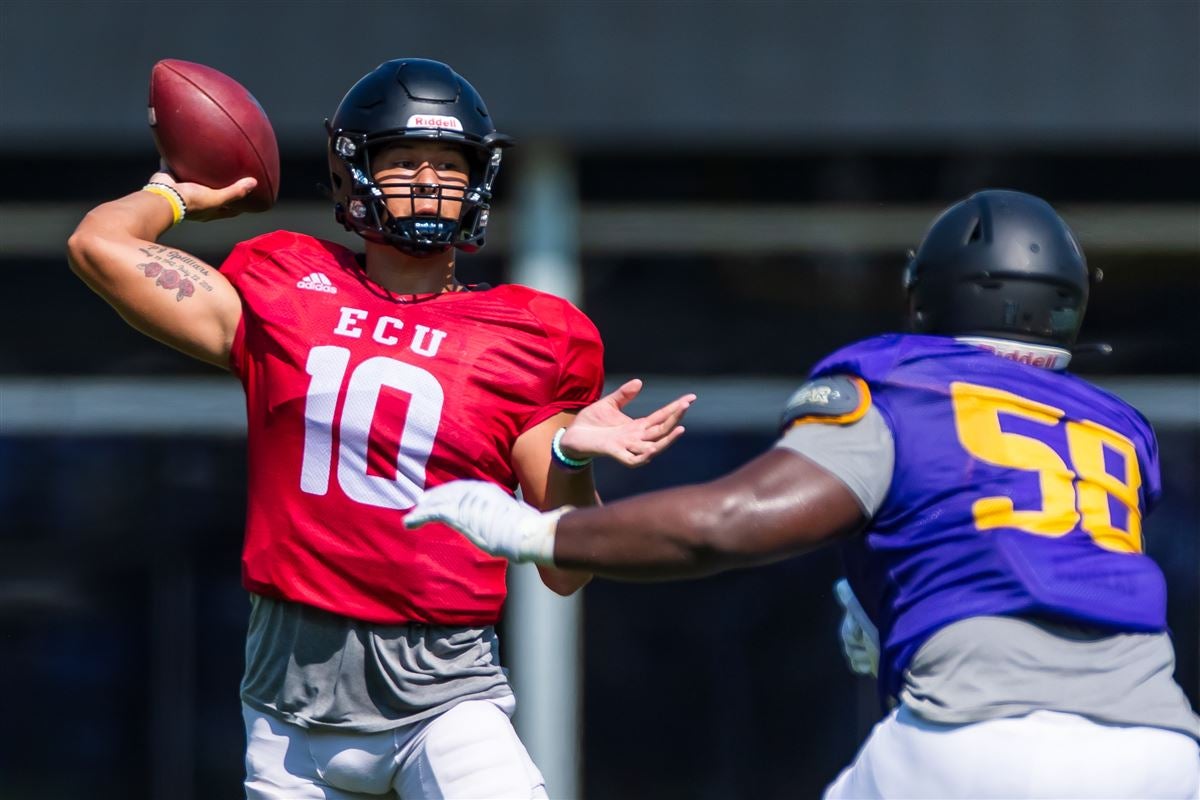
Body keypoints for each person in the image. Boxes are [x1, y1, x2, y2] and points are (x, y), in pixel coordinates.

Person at [408, 189, 1200, 799]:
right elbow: (1030, 554)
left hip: (976, 740)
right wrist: (892, 609)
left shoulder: (902, 387)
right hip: (1165, 751)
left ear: (929, 295)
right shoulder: (1118, 429)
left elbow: (722, 525)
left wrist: (532, 531)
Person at [67, 58, 693, 799]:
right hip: (289, 698)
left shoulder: (529, 333)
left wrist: (568, 455)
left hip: (446, 690)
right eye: (403, 161)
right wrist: (173, 193)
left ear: (478, 180)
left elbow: (565, 570)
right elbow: (97, 247)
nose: (429, 180)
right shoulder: (285, 282)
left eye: (448, 164)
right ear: (352, 172)